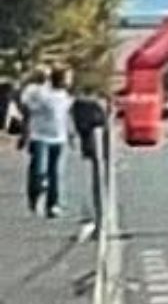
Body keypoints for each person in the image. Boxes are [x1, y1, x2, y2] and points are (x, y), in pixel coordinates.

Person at [18, 66, 75, 218]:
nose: (70, 82)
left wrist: (70, 134)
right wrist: (24, 135)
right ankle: (35, 195)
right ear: (58, 79)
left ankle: (53, 205)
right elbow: (27, 111)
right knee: (38, 171)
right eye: (67, 78)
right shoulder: (41, 93)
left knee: (55, 172)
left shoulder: (65, 96)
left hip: (59, 138)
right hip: (40, 137)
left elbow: (65, 117)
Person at [71, 85, 109, 229]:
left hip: (89, 141)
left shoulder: (78, 106)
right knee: (95, 174)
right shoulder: (92, 106)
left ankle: (95, 214)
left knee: (94, 173)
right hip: (93, 142)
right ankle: (95, 214)